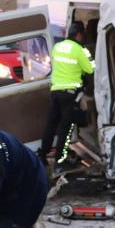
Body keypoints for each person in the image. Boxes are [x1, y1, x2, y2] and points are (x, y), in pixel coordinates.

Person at [38, 21, 94, 172]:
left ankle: (42, 156)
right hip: (69, 94)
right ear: (79, 35)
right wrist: (88, 53)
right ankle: (59, 163)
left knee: (51, 125)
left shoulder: (58, 47)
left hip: (56, 91)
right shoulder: (79, 49)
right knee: (65, 128)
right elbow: (90, 69)